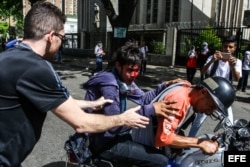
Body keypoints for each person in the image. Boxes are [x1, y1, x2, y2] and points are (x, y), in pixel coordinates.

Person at [0, 2, 150, 166]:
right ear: (51, 36)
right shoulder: (38, 67)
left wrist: (93, 103)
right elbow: (82, 123)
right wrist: (123, 119)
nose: (62, 44)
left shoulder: (10, 56)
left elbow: (57, 100)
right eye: (62, 38)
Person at [83, 41, 184, 167]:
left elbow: (143, 99)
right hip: (103, 141)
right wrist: (151, 110)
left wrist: (165, 86)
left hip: (114, 135)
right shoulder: (110, 83)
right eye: (130, 70)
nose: (133, 75)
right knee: (161, 160)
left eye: (137, 70)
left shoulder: (122, 80)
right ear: (118, 65)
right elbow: (113, 124)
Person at [155, 76, 235, 156]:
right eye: (210, 107)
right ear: (203, 92)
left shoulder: (186, 86)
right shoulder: (179, 101)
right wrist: (201, 143)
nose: (208, 112)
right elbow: (163, 138)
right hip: (146, 143)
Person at [188, 36, 242, 137]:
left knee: (228, 123)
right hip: (210, 95)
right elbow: (203, 71)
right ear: (222, 46)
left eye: (230, 47)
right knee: (199, 120)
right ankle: (189, 140)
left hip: (224, 96)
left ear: (234, 48)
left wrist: (232, 66)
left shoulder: (237, 62)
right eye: (225, 46)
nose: (227, 49)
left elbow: (237, 78)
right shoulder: (213, 58)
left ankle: (226, 146)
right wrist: (212, 60)